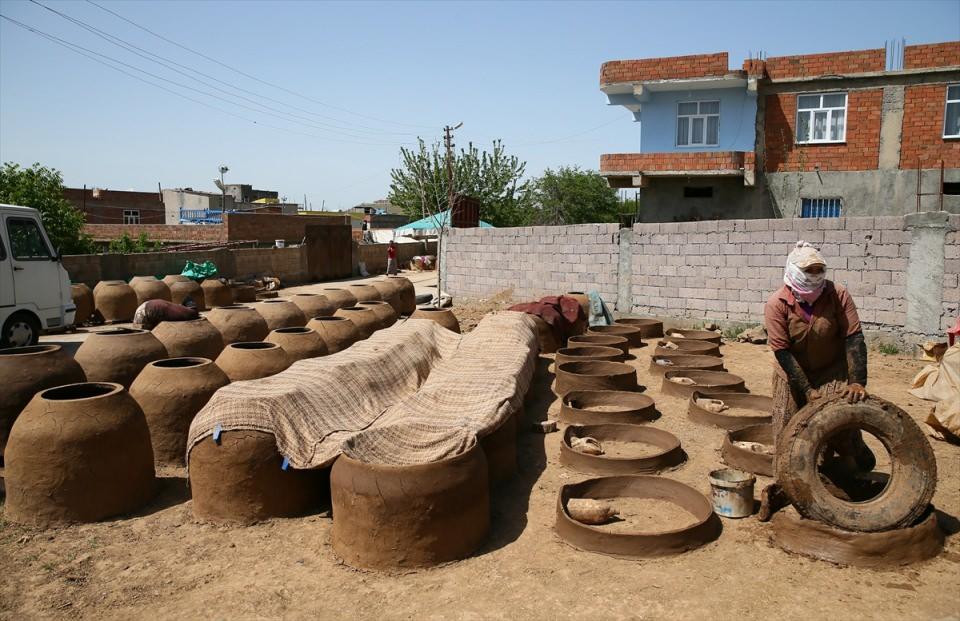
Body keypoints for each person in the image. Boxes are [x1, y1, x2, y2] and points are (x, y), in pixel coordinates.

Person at [759, 241, 871, 518]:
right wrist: (806, 389)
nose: (815, 275)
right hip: (791, 372)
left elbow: (854, 338)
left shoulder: (838, 294)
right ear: (794, 271)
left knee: (839, 419)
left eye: (820, 269)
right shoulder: (777, 303)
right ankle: (784, 487)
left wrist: (857, 380)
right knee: (787, 430)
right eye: (809, 270)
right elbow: (782, 351)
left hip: (831, 369)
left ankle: (849, 467)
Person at [132, 298, 199, 331]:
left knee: (140, 334)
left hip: (144, 306)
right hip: (149, 310)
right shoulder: (191, 313)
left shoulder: (179, 309)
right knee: (144, 337)